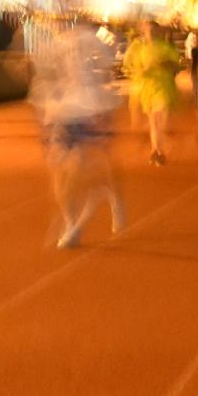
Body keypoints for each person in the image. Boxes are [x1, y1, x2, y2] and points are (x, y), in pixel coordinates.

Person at [30, 22, 124, 247]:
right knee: (62, 171)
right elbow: (45, 79)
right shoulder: (67, 43)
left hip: (82, 113)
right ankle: (73, 221)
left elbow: (103, 75)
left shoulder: (80, 42)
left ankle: (85, 215)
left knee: (77, 168)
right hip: (67, 114)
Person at [122, 19, 182, 166]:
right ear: (144, 31)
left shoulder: (165, 46)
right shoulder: (138, 47)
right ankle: (156, 151)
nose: (151, 33)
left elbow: (176, 64)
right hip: (147, 88)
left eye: (154, 30)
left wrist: (166, 64)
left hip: (164, 87)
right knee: (154, 121)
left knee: (162, 118)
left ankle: (157, 149)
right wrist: (139, 71)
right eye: (148, 30)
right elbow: (128, 64)